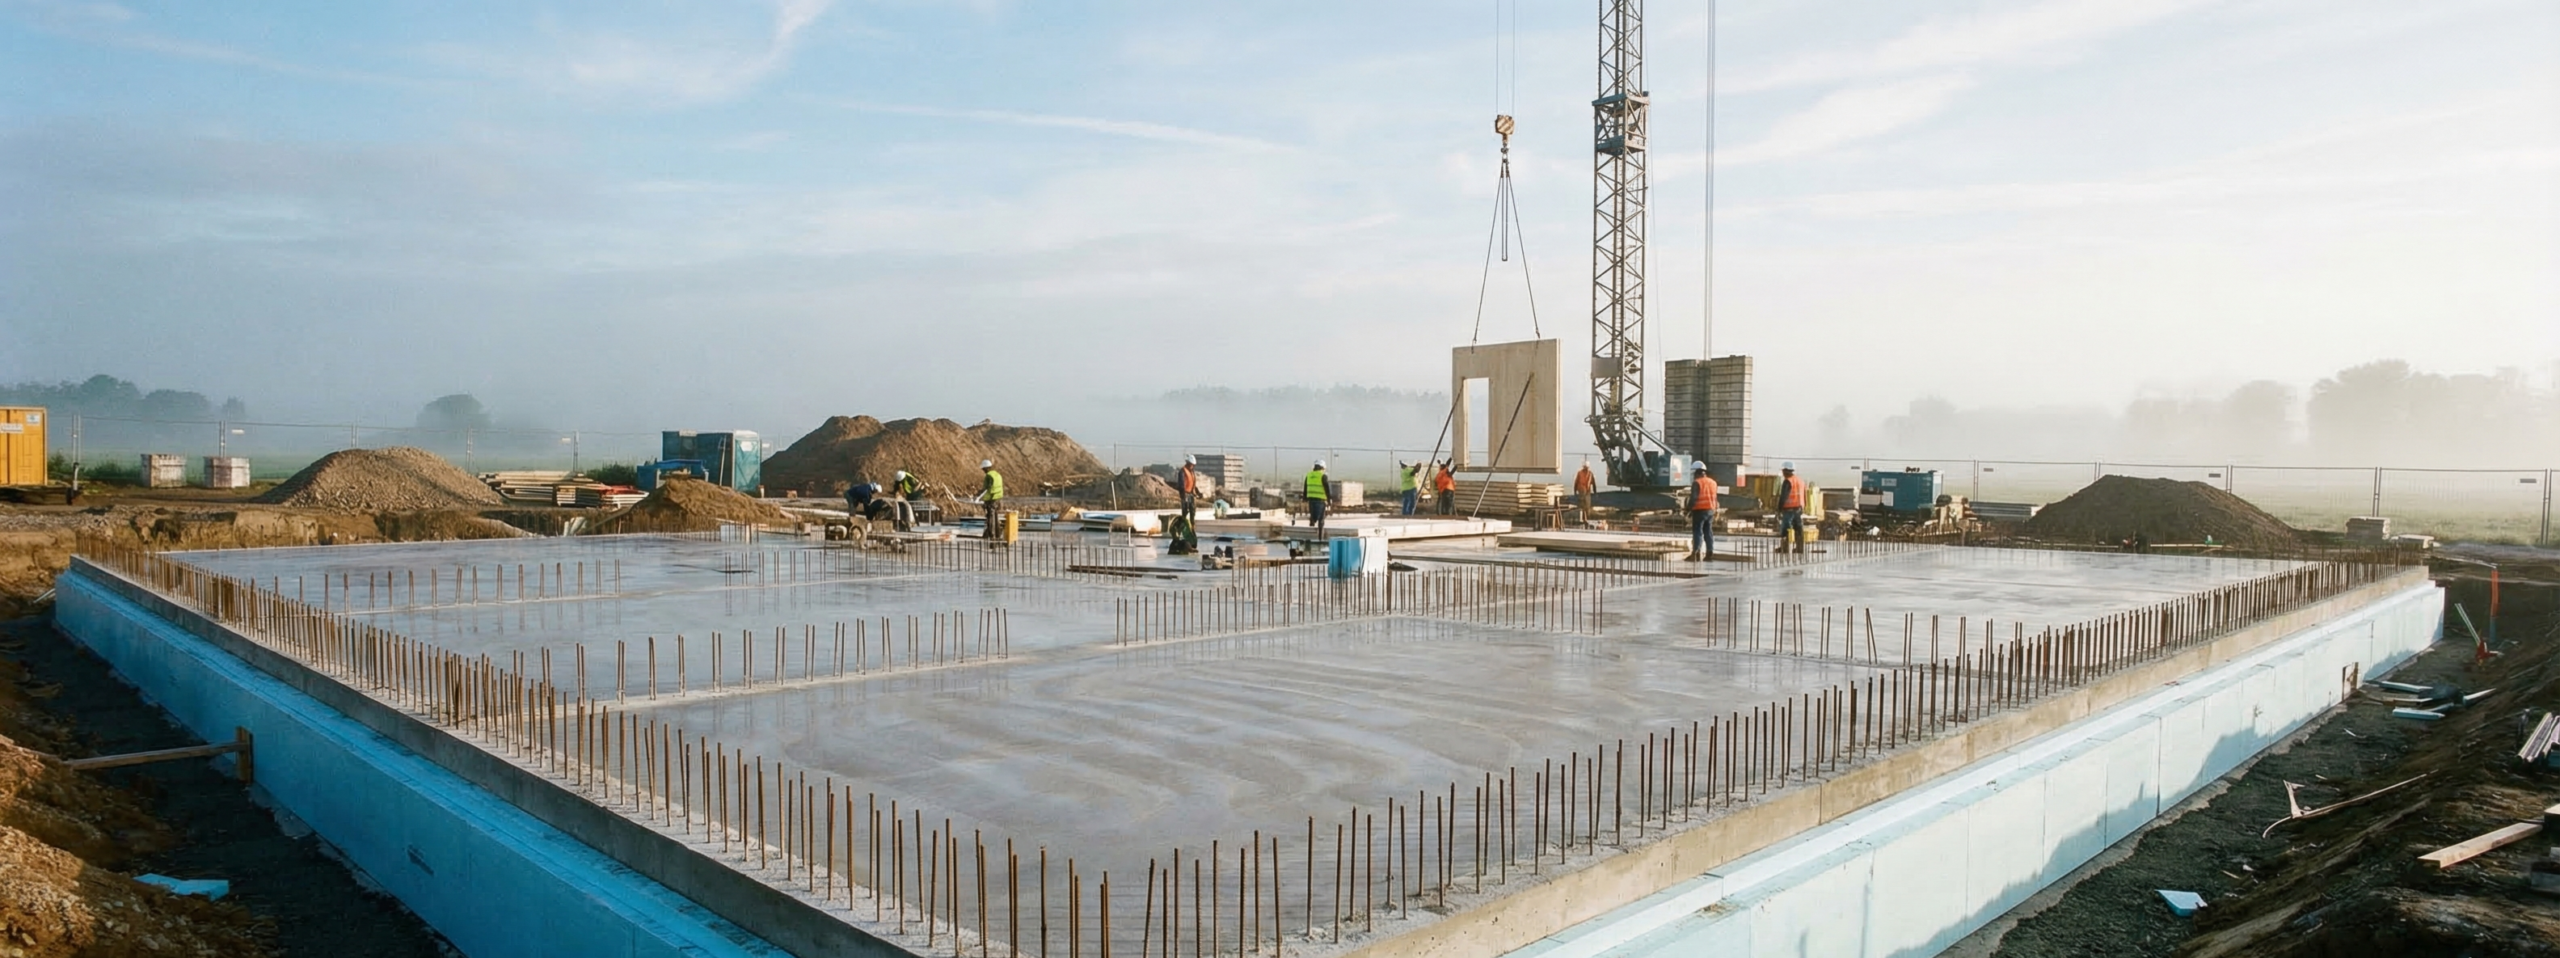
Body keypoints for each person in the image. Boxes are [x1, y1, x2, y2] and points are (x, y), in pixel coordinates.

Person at [1687, 463, 1719, 562]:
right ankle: (1710, 552)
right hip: (1710, 510)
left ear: (1697, 473)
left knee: (1697, 531)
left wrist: (1688, 509)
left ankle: (1695, 553)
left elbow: (1694, 498)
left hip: (1699, 510)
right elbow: (1715, 498)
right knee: (1708, 531)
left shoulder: (1697, 482)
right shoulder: (1713, 482)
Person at [1776, 462, 1808, 554]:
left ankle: (1784, 548)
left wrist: (1779, 508)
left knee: (1785, 529)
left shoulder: (1788, 481)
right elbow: (1805, 495)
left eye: (1783, 470)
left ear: (1786, 471)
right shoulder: (1800, 481)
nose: (1782, 473)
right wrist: (1804, 506)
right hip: (1799, 509)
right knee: (1798, 529)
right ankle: (1800, 548)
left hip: (1789, 509)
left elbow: (1784, 496)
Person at [978, 459, 1005, 540]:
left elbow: (986, 489)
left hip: (991, 499)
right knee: (995, 516)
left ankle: (992, 535)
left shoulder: (988, 476)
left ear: (986, 468)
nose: (983, 471)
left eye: (983, 469)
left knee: (991, 517)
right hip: (998, 498)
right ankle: (997, 534)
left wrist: (980, 494)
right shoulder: (997, 474)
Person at [1303, 459, 1331, 536]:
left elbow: (1305, 487)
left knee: (1313, 517)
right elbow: (1327, 489)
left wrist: (1304, 498)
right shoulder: (1323, 476)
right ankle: (1320, 538)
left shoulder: (1309, 475)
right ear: (1322, 467)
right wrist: (1329, 500)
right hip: (1320, 500)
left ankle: (1311, 535)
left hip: (1311, 500)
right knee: (1321, 520)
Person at [1177, 455, 1201, 525]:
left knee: (1192, 511)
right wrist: (1183, 494)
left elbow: (1193, 484)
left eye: (1193, 465)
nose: (1192, 466)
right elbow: (1181, 484)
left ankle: (1192, 526)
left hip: (1191, 494)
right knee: (1185, 511)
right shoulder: (1182, 471)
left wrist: (1198, 492)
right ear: (1188, 463)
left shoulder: (1192, 472)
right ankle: (1182, 526)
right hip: (1185, 494)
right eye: (1191, 465)